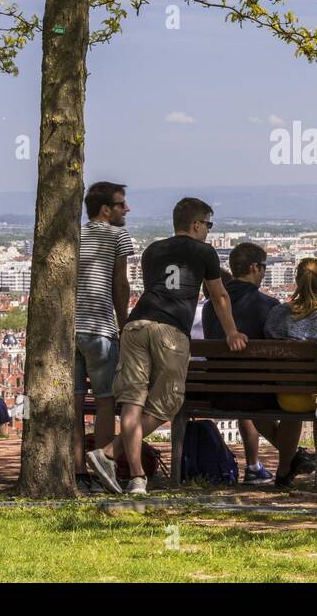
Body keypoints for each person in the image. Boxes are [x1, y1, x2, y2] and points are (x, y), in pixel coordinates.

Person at [87, 197, 247, 496]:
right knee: (168, 403)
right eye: (208, 225)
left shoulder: (153, 251)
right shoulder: (205, 252)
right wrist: (232, 332)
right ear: (196, 224)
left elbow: (154, 288)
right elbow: (219, 296)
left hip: (137, 325)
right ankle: (109, 453)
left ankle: (135, 478)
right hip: (171, 330)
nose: (209, 231)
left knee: (133, 401)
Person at [263, 257, 317, 487]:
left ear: (296, 280)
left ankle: (283, 470)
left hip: (289, 398)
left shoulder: (277, 315)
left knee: (294, 413)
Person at [201, 242, 281, 485]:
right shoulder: (269, 305)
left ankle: (293, 458)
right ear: (255, 267)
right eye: (264, 267)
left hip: (219, 392)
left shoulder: (209, 307)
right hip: (259, 395)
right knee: (273, 401)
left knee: (251, 395)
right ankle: (291, 459)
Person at [74, 180, 132, 491]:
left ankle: (78, 470)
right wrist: (124, 324)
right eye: (122, 204)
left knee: (75, 404)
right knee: (106, 400)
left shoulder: (74, 235)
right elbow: (120, 285)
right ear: (106, 210)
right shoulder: (117, 236)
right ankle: (103, 465)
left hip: (69, 331)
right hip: (99, 328)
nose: (127, 209)